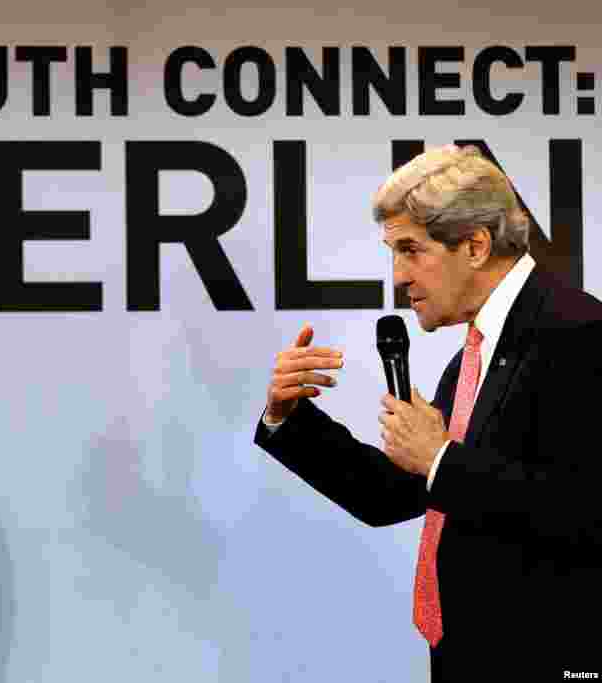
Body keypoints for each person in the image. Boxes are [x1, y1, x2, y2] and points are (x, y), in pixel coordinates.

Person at [254, 144, 602, 681]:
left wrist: (440, 460)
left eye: (411, 250)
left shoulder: (577, 332)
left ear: (476, 246)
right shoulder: (480, 349)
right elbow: (392, 492)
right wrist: (290, 418)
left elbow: (584, 511)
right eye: (392, 252)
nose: (398, 277)